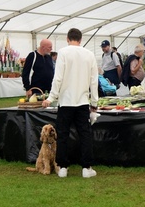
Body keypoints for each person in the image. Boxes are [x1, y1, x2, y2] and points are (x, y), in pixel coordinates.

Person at [42, 28, 99, 178]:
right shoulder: (90, 54)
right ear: (80, 39)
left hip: (65, 102)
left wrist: (51, 98)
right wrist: (94, 102)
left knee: (63, 135)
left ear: (68, 39)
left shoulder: (63, 53)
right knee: (85, 135)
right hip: (82, 101)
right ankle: (87, 168)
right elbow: (94, 81)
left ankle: (63, 168)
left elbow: (58, 77)